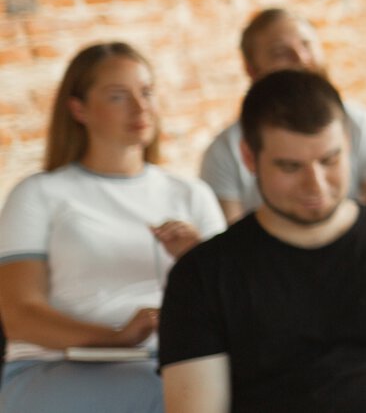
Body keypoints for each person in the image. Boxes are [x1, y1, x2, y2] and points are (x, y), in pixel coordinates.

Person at [158, 69, 366, 412]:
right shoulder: (201, 276)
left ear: (347, 143)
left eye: (330, 160)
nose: (316, 185)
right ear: (249, 158)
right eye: (290, 167)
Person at [0, 42, 225, 412]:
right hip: (58, 366)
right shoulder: (38, 194)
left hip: (173, 363)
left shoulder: (192, 195)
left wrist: (196, 258)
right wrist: (116, 338)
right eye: (119, 96)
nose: (141, 107)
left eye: (147, 92)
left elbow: (233, 307)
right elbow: (20, 315)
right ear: (78, 109)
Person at [199, 8, 366, 221]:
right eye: (280, 52)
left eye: (307, 45)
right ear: (252, 70)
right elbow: (229, 238)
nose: (301, 58)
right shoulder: (223, 151)